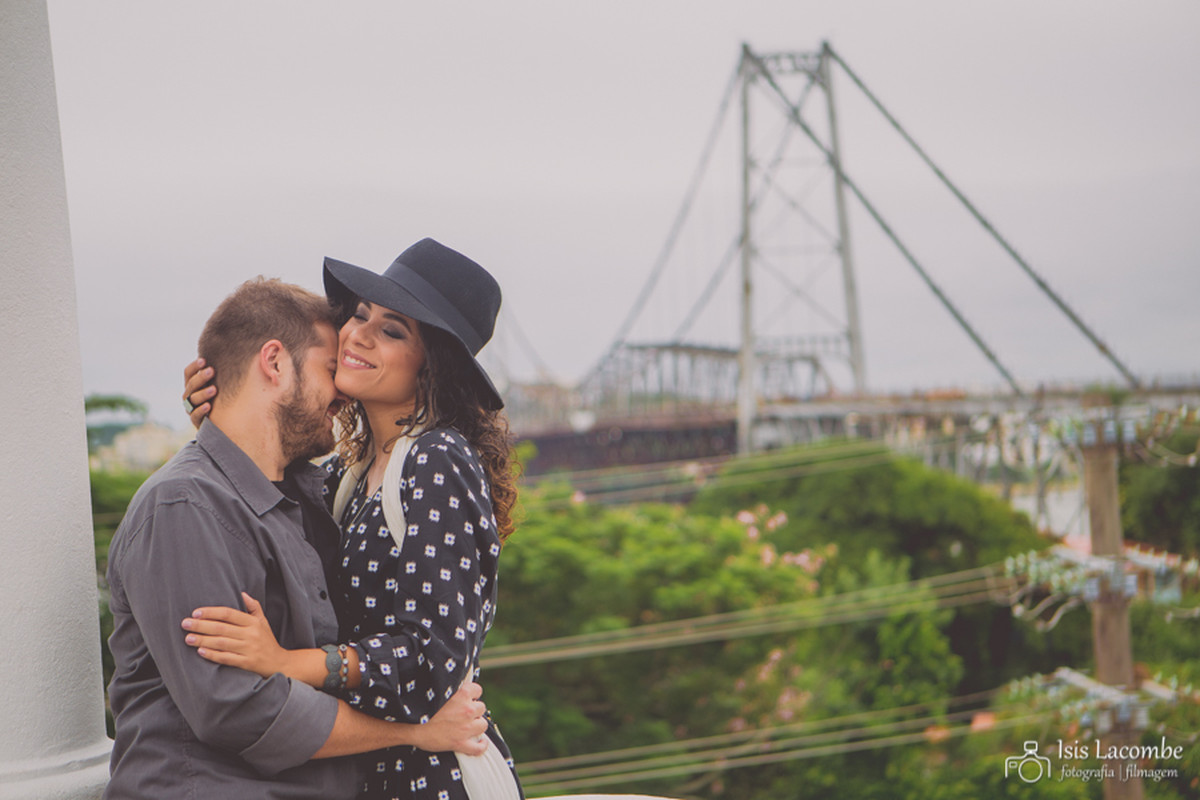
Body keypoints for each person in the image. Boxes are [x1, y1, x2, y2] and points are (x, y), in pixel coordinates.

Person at [105, 277, 489, 799]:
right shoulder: (187, 506)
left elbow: (430, 649)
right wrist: (414, 732)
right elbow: (238, 708)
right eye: (331, 368)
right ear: (275, 363)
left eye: (392, 330)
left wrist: (227, 421)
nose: (350, 359)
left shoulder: (324, 490)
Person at [179, 239, 524, 800]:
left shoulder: (436, 458)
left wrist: (286, 663)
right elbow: (264, 499)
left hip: (434, 776)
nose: (358, 334)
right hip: (370, 767)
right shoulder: (349, 471)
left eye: (393, 330)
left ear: (431, 361)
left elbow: (430, 660)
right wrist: (225, 415)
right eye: (360, 314)